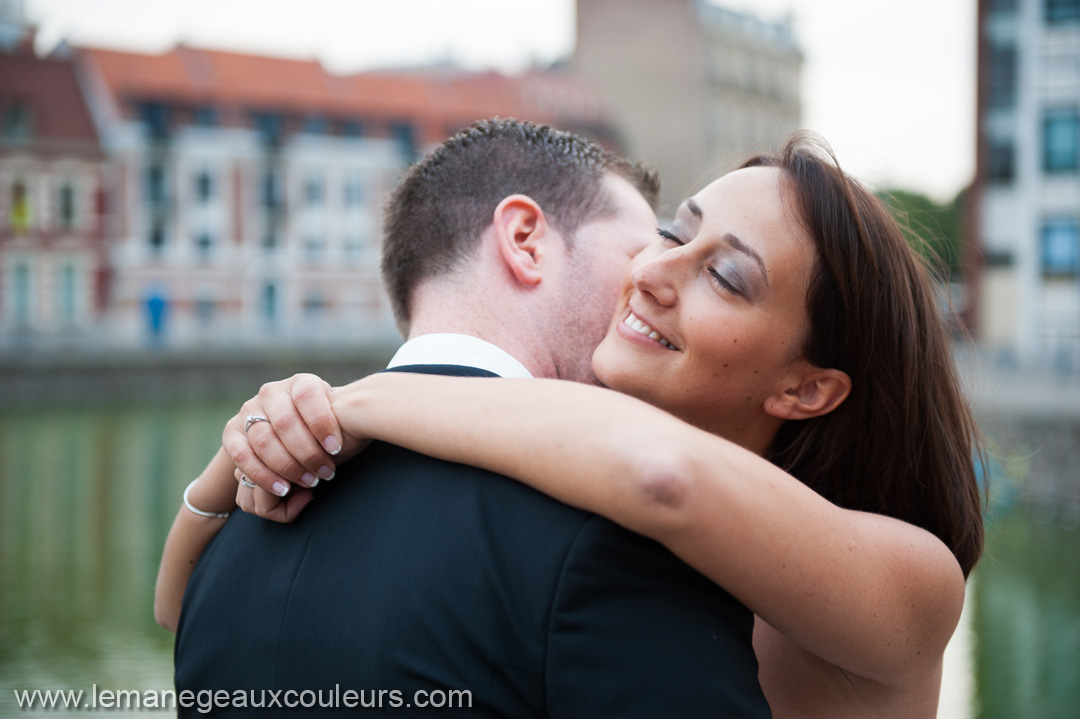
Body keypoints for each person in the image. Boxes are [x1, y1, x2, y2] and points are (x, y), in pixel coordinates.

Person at [160, 130, 986, 719]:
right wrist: (222, 475)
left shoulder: (912, 577)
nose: (652, 270)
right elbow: (172, 606)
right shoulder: (592, 515)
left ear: (808, 390)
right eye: (672, 232)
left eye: (725, 277)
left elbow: (666, 477)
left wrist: (354, 403)